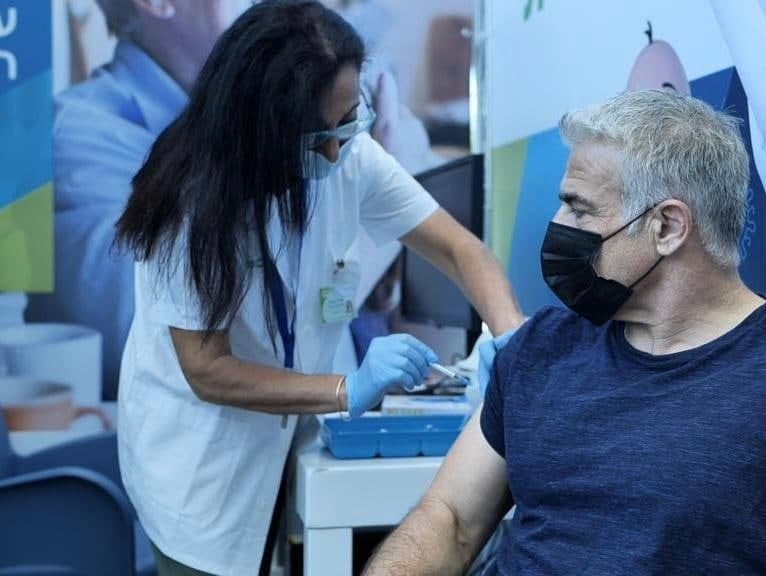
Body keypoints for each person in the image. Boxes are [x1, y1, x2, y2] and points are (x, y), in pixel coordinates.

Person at [364, 89, 766, 575]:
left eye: (580, 211)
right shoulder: (541, 348)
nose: (559, 229)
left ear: (666, 227)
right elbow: (452, 518)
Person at [113, 2, 522, 575]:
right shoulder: (191, 202)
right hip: (200, 465)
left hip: (286, 442)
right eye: (316, 138)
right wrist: (345, 388)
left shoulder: (350, 155)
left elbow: (461, 249)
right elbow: (206, 369)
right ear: (261, 129)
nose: (336, 151)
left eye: (347, 122)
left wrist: (511, 338)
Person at [30, 0, 439, 398]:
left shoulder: (274, 124)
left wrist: (380, 275)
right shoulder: (80, 135)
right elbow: (179, 334)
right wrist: (378, 218)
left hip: (306, 437)